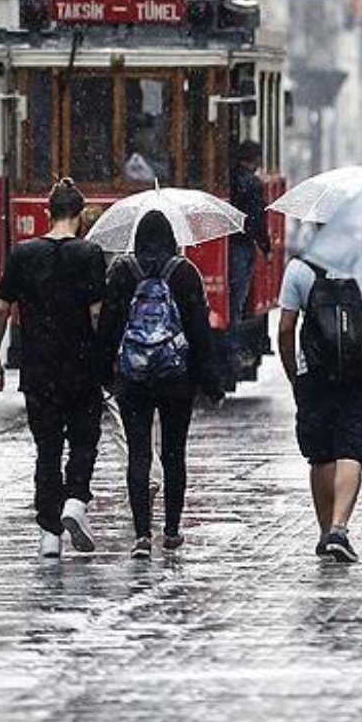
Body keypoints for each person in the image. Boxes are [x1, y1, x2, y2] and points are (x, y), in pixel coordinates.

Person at [0, 178, 109, 556]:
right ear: (80, 216)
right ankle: (75, 501)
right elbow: (97, 314)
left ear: (47, 213)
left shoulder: (23, 254)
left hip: (39, 371)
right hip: (82, 368)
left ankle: (49, 534)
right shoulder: (90, 254)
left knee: (47, 449)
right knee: (84, 441)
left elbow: (0, 309)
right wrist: (106, 360)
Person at [97, 210, 224, 555]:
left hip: (133, 376)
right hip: (175, 377)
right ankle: (171, 529)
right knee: (174, 453)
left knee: (138, 453)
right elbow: (199, 331)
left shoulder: (122, 271)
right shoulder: (184, 272)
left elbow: (108, 326)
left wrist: (104, 374)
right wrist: (211, 381)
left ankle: (141, 535)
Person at [276, 235, 362, 562]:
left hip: (314, 374)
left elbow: (285, 328)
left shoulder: (300, 268)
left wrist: (294, 374)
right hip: (358, 373)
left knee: (320, 455)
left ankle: (324, 533)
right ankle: (339, 527)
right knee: (352, 449)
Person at [227, 141, 273, 375]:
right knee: (237, 299)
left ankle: (231, 346)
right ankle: (232, 349)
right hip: (242, 245)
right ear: (255, 159)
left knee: (232, 300)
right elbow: (256, 219)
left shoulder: (230, 179)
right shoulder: (252, 184)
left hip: (230, 241)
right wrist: (266, 246)